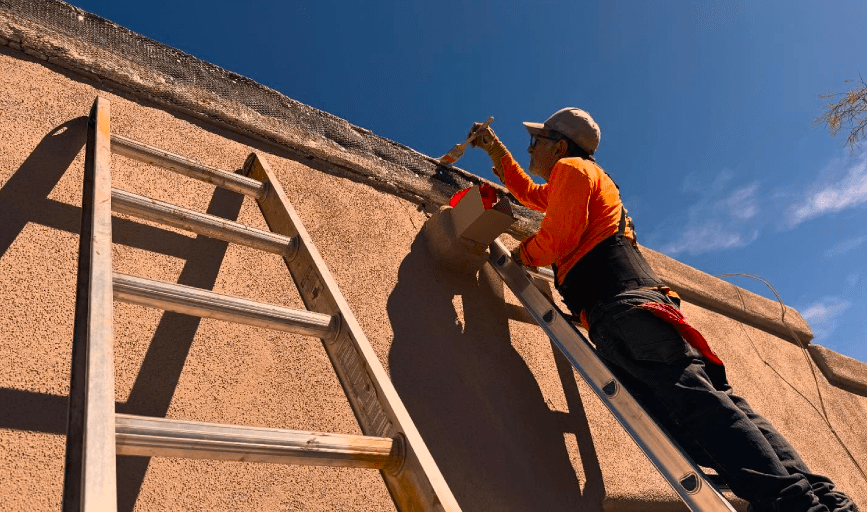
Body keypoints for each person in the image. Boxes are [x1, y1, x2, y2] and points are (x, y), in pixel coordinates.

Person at [467, 108, 858, 512]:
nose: (531, 148)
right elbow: (532, 196)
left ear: (561, 145)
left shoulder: (572, 170)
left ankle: (794, 507)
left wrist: (522, 253)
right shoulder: (583, 178)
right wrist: (497, 153)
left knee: (698, 414)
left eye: (537, 141)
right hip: (638, 307)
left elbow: (559, 238)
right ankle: (821, 500)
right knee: (716, 405)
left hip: (622, 309)